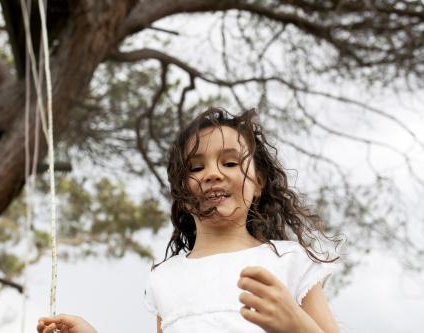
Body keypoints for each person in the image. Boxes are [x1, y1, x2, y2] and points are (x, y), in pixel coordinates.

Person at [37, 107, 342, 333]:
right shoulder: (165, 278)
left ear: (259, 182)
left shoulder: (288, 260)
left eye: (231, 162)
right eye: (195, 168)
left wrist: (298, 326)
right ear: (181, 190)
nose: (212, 173)